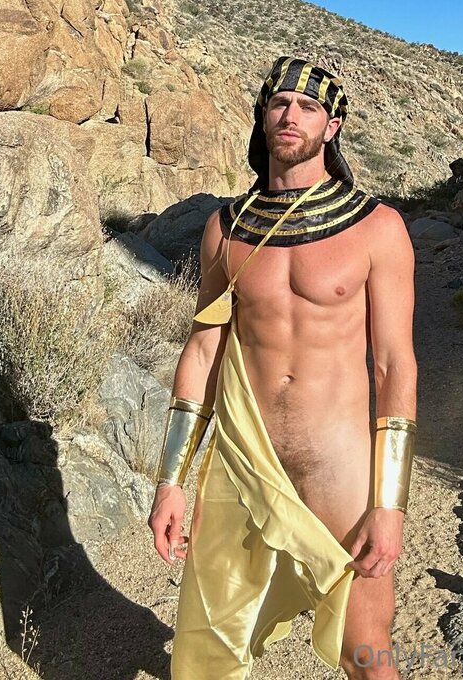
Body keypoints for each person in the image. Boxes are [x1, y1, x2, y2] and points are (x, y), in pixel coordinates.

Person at [148, 56, 417, 680]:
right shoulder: (227, 228)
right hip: (243, 462)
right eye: (279, 104)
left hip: (338, 468)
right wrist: (170, 481)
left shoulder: (377, 229)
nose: (291, 115)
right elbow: (204, 349)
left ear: (333, 126)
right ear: (263, 116)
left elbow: (394, 365)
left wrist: (391, 504)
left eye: (309, 107)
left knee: (365, 651)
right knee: (214, 648)